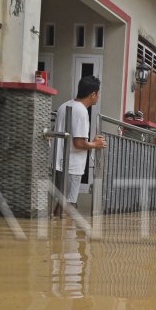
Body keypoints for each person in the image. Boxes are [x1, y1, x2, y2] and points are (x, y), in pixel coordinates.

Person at [53, 76, 107, 214]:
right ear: (93, 94)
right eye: (98, 93)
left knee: (63, 202)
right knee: (69, 205)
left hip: (58, 162)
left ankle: (56, 231)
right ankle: (63, 234)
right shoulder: (81, 111)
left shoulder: (64, 106)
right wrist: (96, 144)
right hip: (71, 165)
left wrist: (92, 142)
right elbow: (78, 143)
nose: (99, 96)